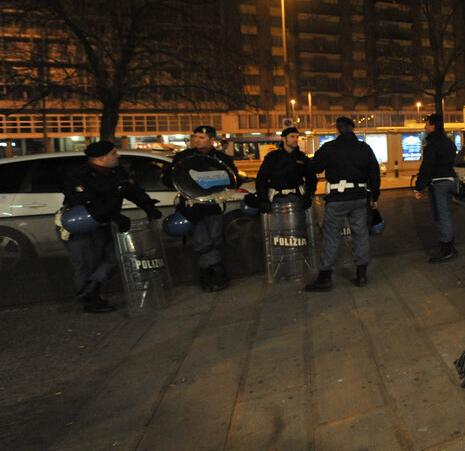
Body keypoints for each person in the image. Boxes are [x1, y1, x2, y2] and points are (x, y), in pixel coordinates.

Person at [62, 140, 162, 313]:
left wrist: (150, 208)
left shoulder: (117, 173)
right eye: (114, 153)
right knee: (85, 264)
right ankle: (91, 302)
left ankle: (91, 288)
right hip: (82, 226)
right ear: (101, 158)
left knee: (116, 258)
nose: (118, 156)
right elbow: (86, 203)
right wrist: (115, 216)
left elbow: (133, 192)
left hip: (103, 224)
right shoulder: (78, 176)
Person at [307, 116, 381, 290]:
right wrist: (374, 197)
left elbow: (314, 168)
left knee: (331, 236)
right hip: (359, 197)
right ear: (353, 129)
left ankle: (325, 277)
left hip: (337, 198)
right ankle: (361, 275)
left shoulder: (329, 148)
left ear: (337, 130)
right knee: (360, 235)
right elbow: (374, 173)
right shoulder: (364, 148)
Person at [173, 125, 239, 292]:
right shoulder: (183, 157)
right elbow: (171, 179)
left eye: (201, 138)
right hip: (192, 208)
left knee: (215, 241)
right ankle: (218, 271)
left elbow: (233, 179)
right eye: (195, 137)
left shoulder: (221, 159)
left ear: (211, 140)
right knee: (203, 242)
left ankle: (207, 274)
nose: (196, 140)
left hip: (213, 206)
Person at [413, 112, 459, 263]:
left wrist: (418, 187)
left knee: (441, 215)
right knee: (445, 214)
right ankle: (450, 247)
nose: (425, 127)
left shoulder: (433, 145)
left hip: (439, 182)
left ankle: (447, 250)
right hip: (450, 180)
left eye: (427, 124)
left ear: (433, 126)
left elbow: (427, 167)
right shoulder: (448, 142)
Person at [254, 126, 316, 210]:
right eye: (292, 136)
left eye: (297, 137)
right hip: (276, 198)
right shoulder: (272, 157)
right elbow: (261, 179)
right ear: (283, 139)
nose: (295, 139)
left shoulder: (302, 157)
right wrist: (264, 199)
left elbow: (311, 178)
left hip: (298, 198)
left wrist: (308, 195)